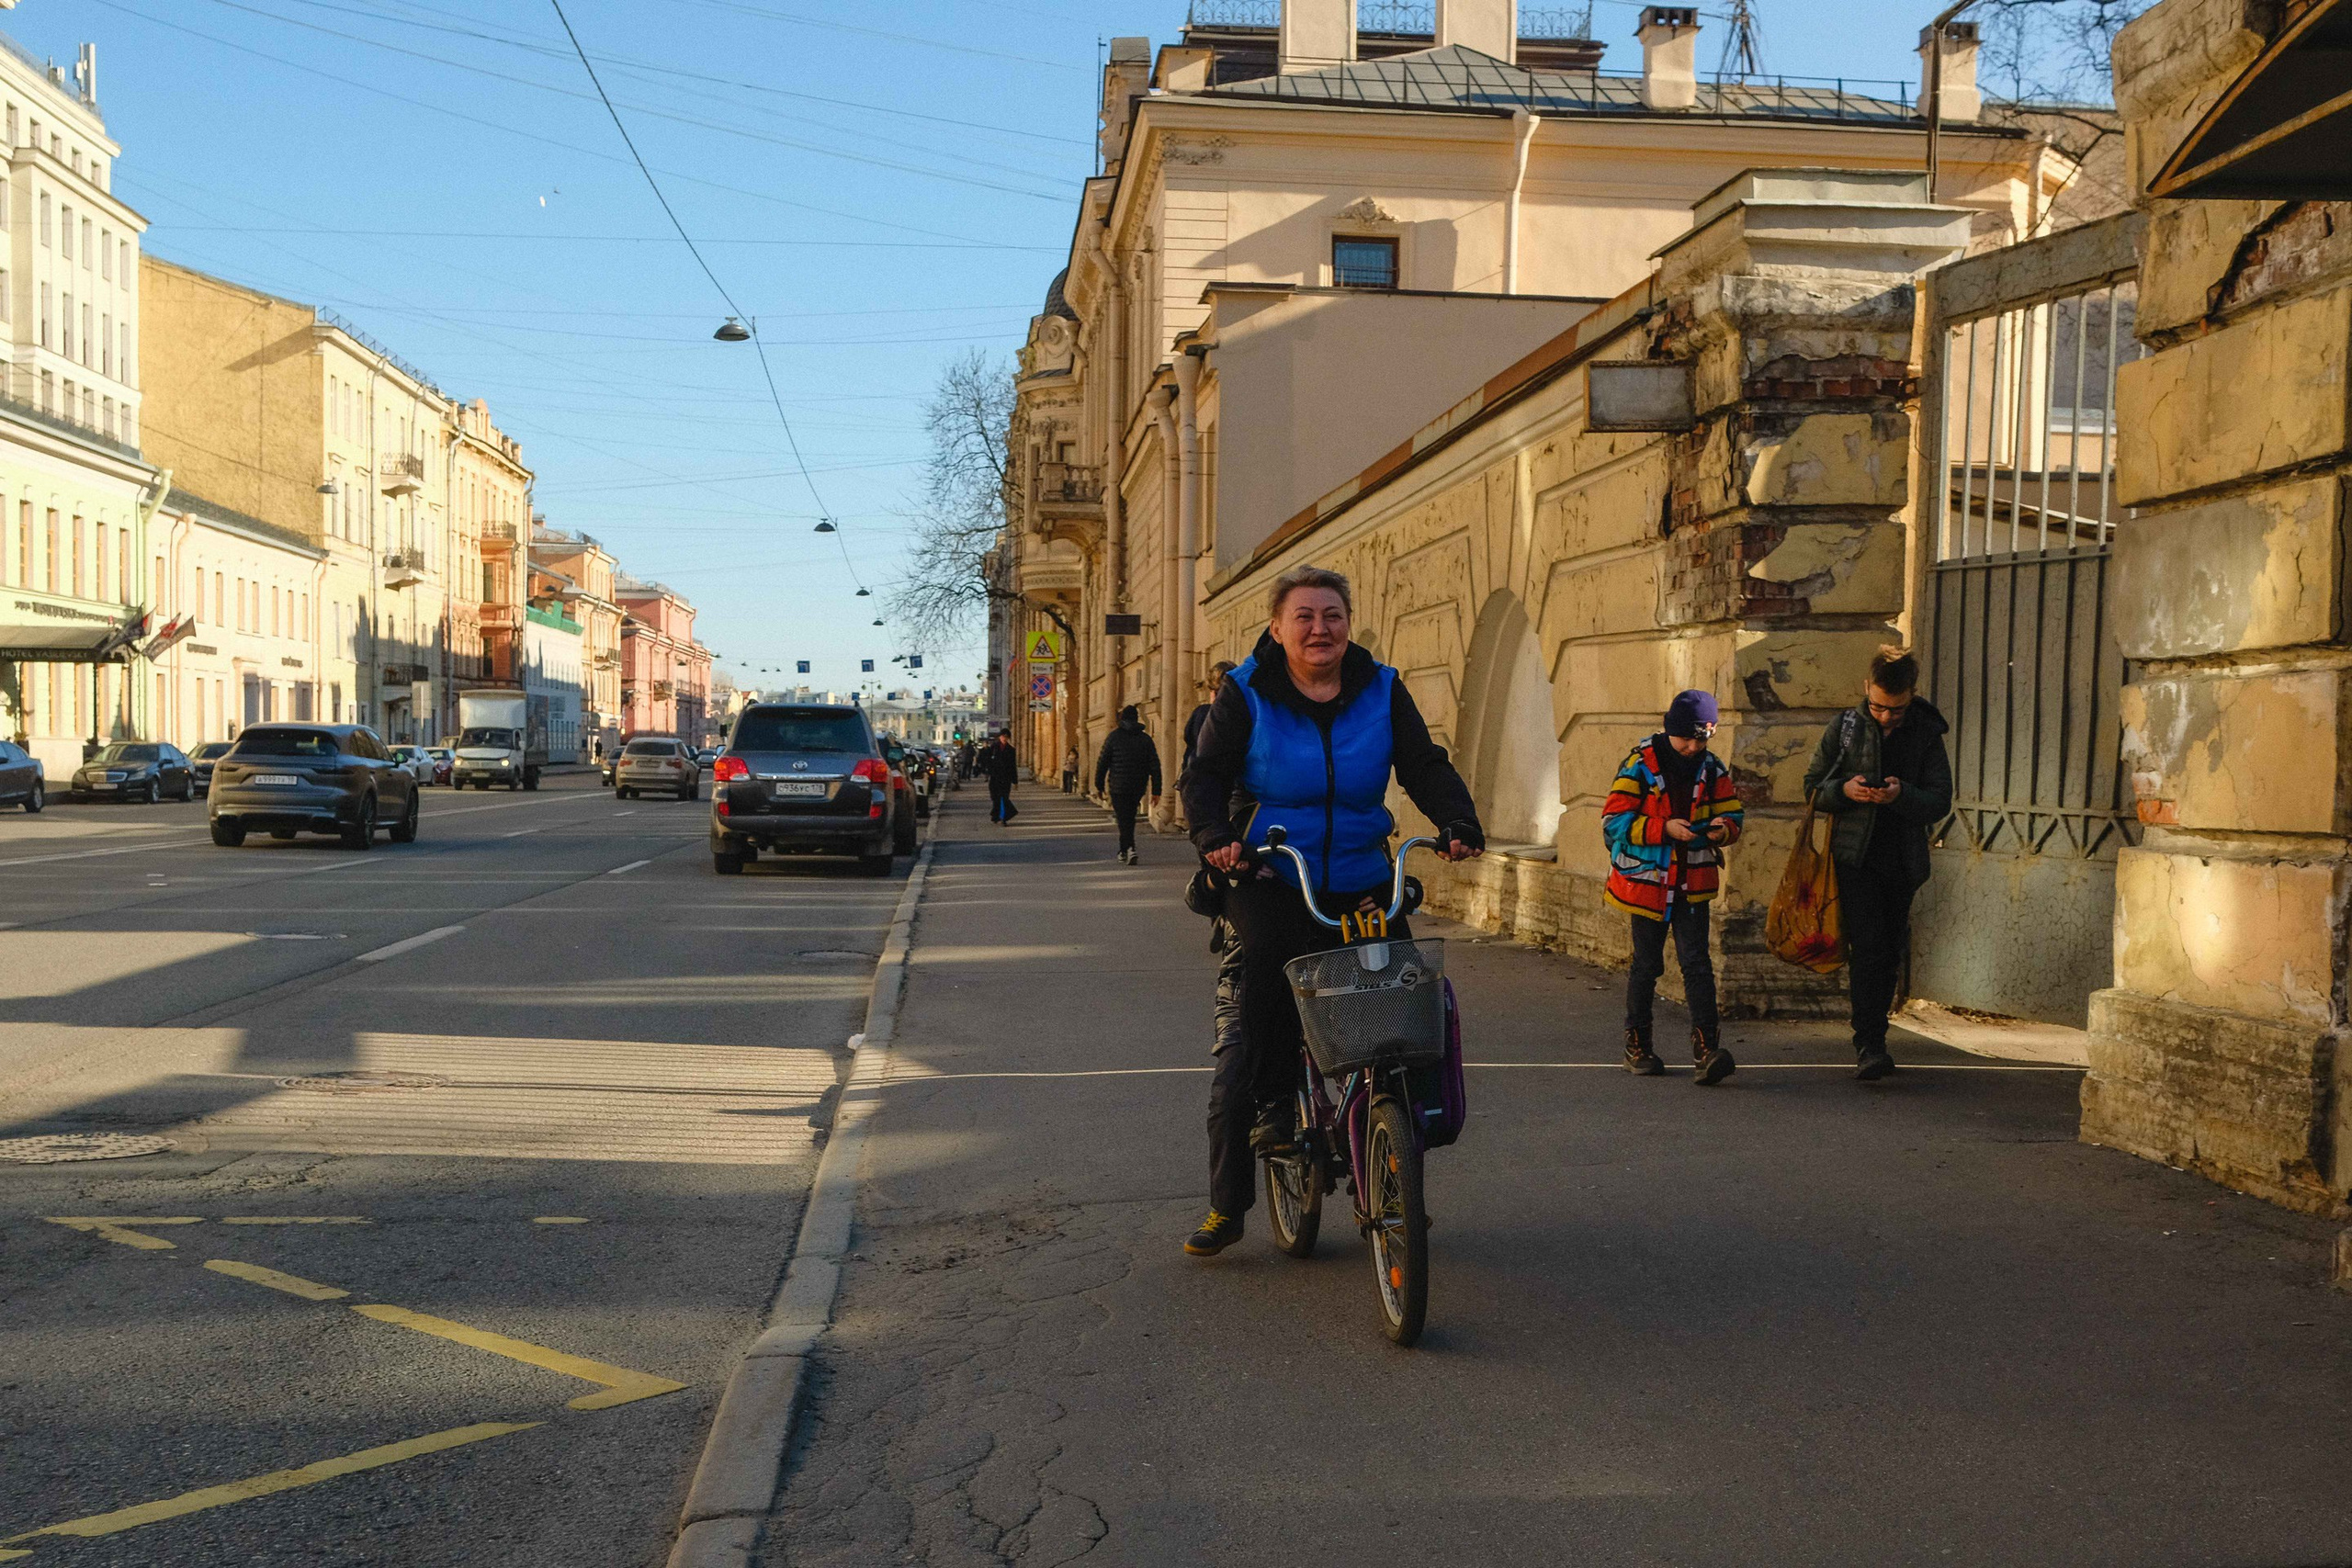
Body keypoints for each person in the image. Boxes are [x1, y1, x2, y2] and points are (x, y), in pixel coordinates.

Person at [1181, 563, 1485, 1258]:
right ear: (1276, 627)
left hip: (1360, 874)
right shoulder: (1247, 692)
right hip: (1271, 871)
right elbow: (1205, 776)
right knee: (1265, 972)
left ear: (1349, 624)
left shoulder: (1381, 688)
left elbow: (1423, 764)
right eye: (1305, 616)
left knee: (1403, 994)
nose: (1320, 628)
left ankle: (1402, 1143)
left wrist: (1459, 820)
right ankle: (1267, 1115)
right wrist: (1217, 841)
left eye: (1333, 615)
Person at [1800, 646, 1952, 1080]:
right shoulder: (1845, 727)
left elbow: (1940, 799)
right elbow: (1811, 786)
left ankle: (1873, 1033)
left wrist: (1900, 793)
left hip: (1902, 862)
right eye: (1879, 707)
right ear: (1867, 689)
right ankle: (1870, 1042)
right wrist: (1843, 792)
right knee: (1867, 948)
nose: (1886, 717)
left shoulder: (1925, 733)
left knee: (1887, 950)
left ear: (1912, 696)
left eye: (1897, 709)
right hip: (1853, 859)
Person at [1603, 691, 1745, 1085]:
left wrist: (1724, 830)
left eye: (1703, 739)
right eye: (1688, 739)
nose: (1695, 747)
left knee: (1697, 964)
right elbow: (1613, 821)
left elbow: (1732, 811)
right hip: (1648, 884)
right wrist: (1662, 829)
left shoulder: (1712, 767)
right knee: (1647, 965)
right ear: (1671, 731)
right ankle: (1638, 1047)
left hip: (1692, 882)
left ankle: (1708, 1050)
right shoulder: (1639, 765)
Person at [1093, 705, 1162, 863]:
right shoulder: (1145, 739)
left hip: (1118, 786)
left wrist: (1099, 786)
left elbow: (1102, 763)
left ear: (1122, 719)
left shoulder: (1113, 737)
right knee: (1128, 817)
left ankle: (1129, 848)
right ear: (1136, 718)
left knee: (1124, 818)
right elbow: (1155, 766)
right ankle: (1124, 850)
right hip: (1137, 786)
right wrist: (1156, 791)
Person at [983, 732, 1020, 825]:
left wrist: (1015, 781)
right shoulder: (994, 747)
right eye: (1003, 736)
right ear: (1000, 737)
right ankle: (996, 815)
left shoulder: (1011, 750)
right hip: (995, 777)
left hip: (1006, 777)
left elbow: (1012, 766)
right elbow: (987, 759)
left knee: (1004, 798)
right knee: (995, 798)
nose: (1004, 738)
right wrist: (989, 771)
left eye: (1006, 737)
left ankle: (1004, 818)